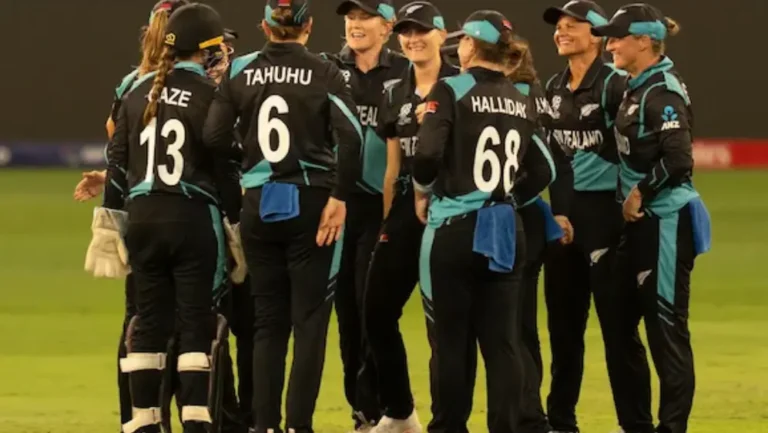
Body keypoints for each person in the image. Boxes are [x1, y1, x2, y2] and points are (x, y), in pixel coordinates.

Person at [202, 1, 362, 432]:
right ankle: (298, 426)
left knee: (268, 322)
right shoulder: (325, 71)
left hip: (259, 202)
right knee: (310, 322)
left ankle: (265, 425)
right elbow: (351, 137)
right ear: (308, 25)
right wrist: (340, 196)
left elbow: (214, 135)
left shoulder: (241, 70)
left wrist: (248, 159)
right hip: (312, 202)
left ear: (265, 26)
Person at [87, 3, 238, 432]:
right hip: (191, 217)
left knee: (148, 323)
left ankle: (143, 421)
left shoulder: (137, 91)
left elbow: (118, 163)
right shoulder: (211, 94)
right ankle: (196, 421)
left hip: (141, 219)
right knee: (194, 322)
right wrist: (236, 223)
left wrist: (108, 221)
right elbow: (224, 164)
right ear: (207, 50)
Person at [412, 10, 556, 433]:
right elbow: (545, 169)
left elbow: (427, 154)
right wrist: (506, 199)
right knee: (503, 342)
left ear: (471, 46)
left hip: (453, 228)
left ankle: (448, 427)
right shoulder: (520, 97)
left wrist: (423, 190)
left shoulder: (451, 89)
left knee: (449, 341)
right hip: (505, 228)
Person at [592, 4, 710, 433]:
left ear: (644, 41)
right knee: (619, 322)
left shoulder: (663, 92)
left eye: (617, 38)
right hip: (640, 225)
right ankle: (636, 425)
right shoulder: (635, 86)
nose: (610, 45)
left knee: (666, 330)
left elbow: (678, 160)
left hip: (665, 221)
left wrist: (640, 192)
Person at [539, 2, 636, 432]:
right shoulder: (554, 86)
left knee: (618, 329)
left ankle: (634, 424)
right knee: (563, 330)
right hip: (563, 215)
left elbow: (633, 151)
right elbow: (551, 157)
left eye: (571, 26)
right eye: (558, 26)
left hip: (606, 216)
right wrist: (557, 209)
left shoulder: (616, 84)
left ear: (597, 34)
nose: (561, 32)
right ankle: (561, 422)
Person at [361, 3, 455, 433]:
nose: (413, 39)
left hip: (450, 207)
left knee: (445, 323)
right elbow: (393, 167)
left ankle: (448, 420)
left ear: (442, 35)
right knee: (376, 310)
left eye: (421, 31)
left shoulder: (460, 85)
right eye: (406, 32)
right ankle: (400, 412)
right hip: (405, 210)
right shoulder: (395, 91)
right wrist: (387, 222)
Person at [323, 2, 409, 430]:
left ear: (387, 26)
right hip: (337, 206)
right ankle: (362, 411)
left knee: (372, 309)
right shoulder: (326, 69)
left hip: (384, 205)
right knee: (347, 316)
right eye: (351, 18)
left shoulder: (405, 71)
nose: (355, 25)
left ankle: (384, 406)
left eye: (365, 17)